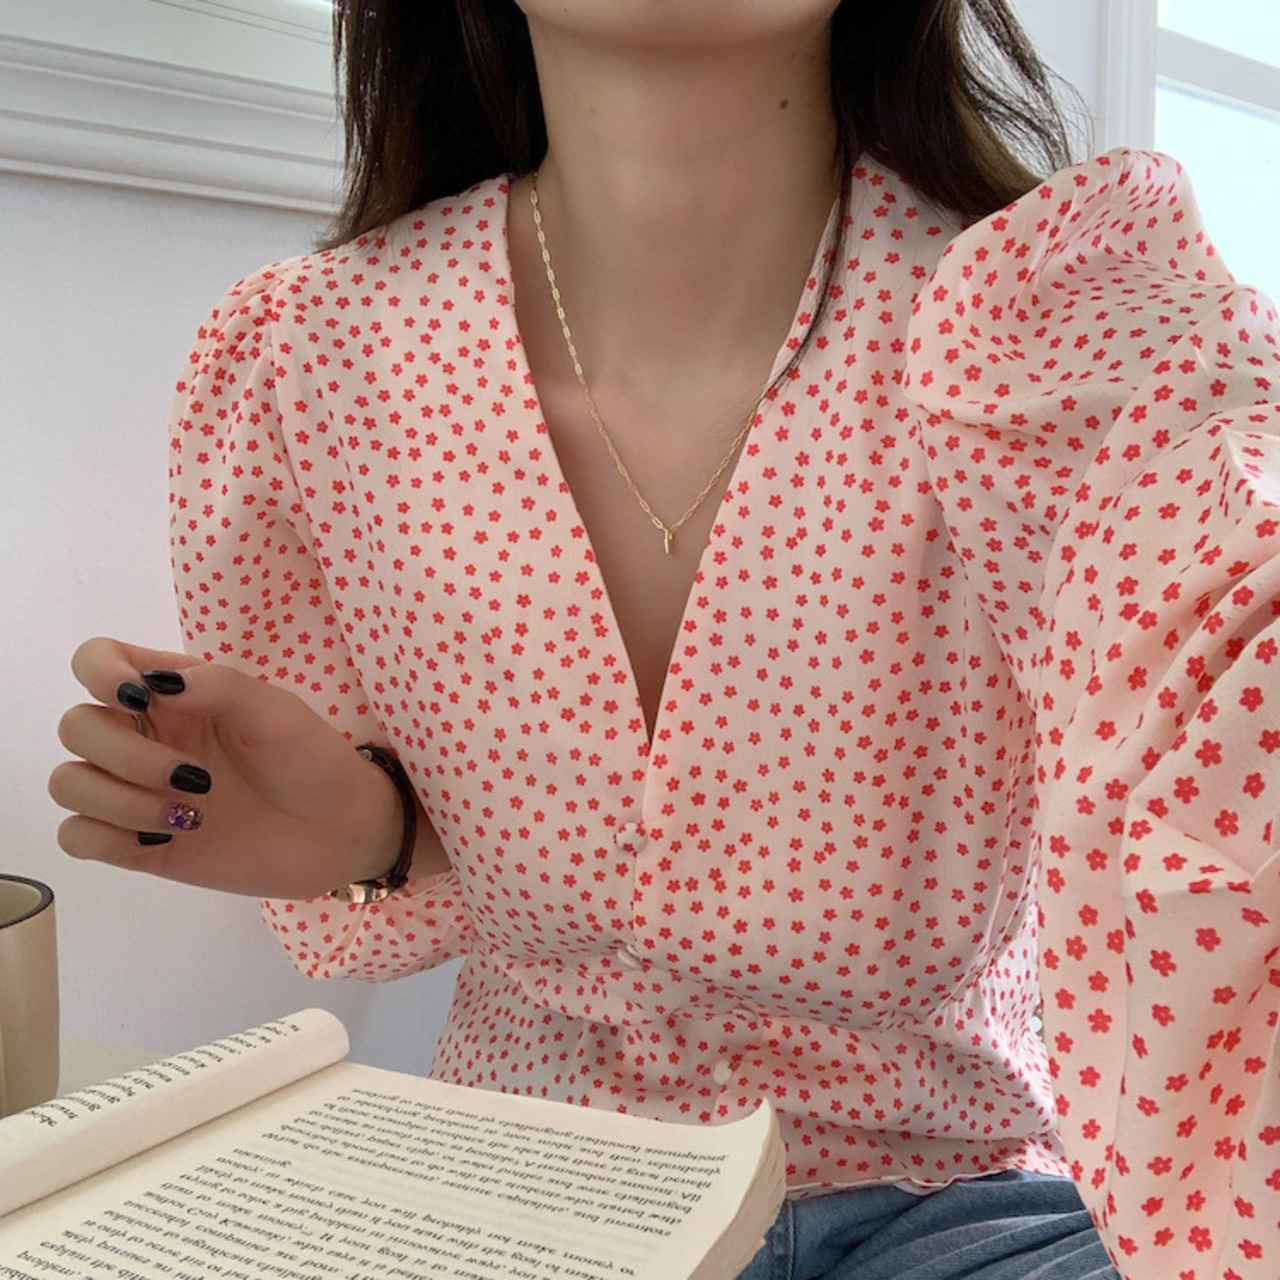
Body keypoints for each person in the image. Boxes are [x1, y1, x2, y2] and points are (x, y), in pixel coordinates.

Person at [48, 1, 1280, 1277]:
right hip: (519, 1186)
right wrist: (377, 831)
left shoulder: (1072, 341)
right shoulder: (314, 359)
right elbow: (424, 873)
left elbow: (1231, 668)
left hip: (962, 1203)